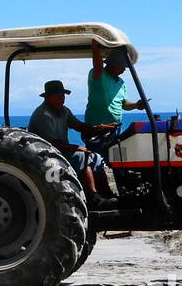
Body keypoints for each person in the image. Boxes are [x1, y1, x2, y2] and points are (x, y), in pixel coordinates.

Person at [27, 80, 117, 209]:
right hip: (47, 157)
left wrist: (100, 128)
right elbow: (53, 144)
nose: (62, 99)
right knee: (82, 156)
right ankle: (93, 198)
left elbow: (79, 126)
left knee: (96, 157)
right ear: (48, 97)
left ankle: (107, 194)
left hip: (61, 152)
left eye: (63, 96)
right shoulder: (43, 115)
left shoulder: (64, 111)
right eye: (58, 96)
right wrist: (78, 148)